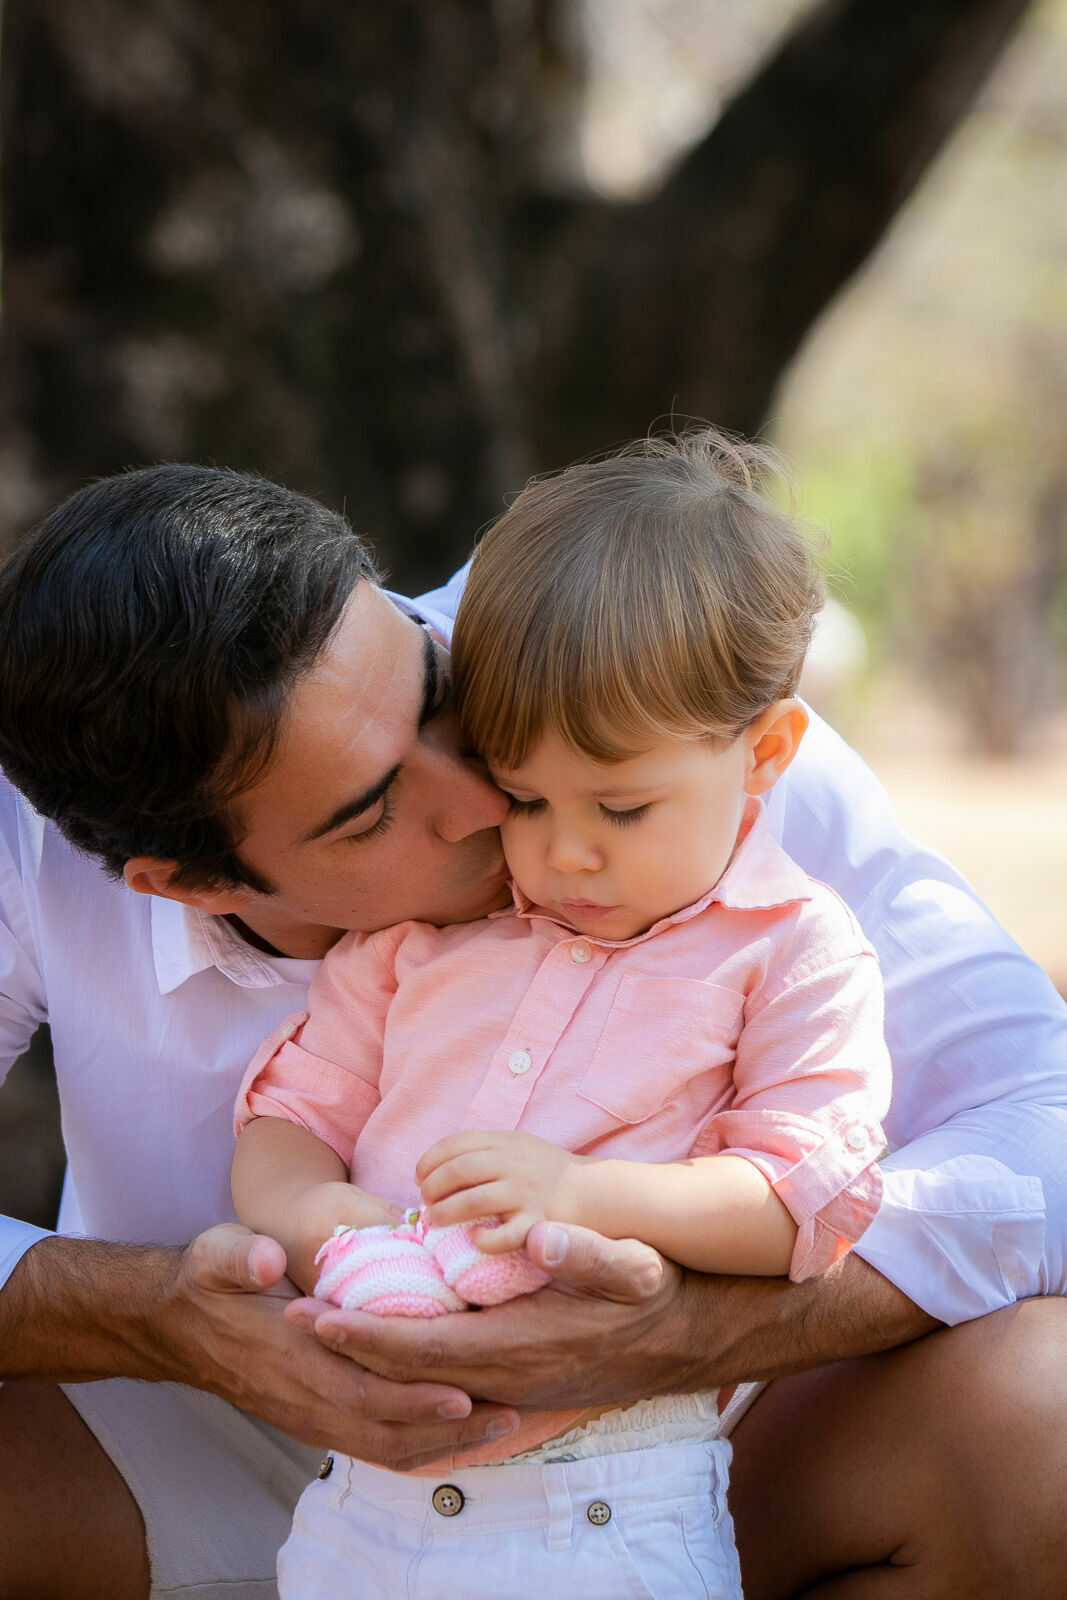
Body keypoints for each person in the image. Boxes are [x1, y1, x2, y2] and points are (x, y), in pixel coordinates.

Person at [0, 463, 1062, 1599]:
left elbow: (1043, 1127)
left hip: (669, 1446)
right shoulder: (33, 840)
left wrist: (688, 1331)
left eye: (433, 692)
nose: (485, 793)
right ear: (190, 883)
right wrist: (156, 1318)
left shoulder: (634, 696)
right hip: (202, 1432)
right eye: (371, 812)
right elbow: (289, 1137)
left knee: (1039, 1415)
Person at [231, 432, 891, 1597]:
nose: (562, 848)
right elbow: (289, 1115)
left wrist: (580, 1194)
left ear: (766, 751)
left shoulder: (790, 949)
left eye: (622, 806)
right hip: (363, 1497)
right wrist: (327, 1226)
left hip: (604, 1499)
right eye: (524, 794)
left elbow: (798, 1197)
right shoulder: (421, 940)